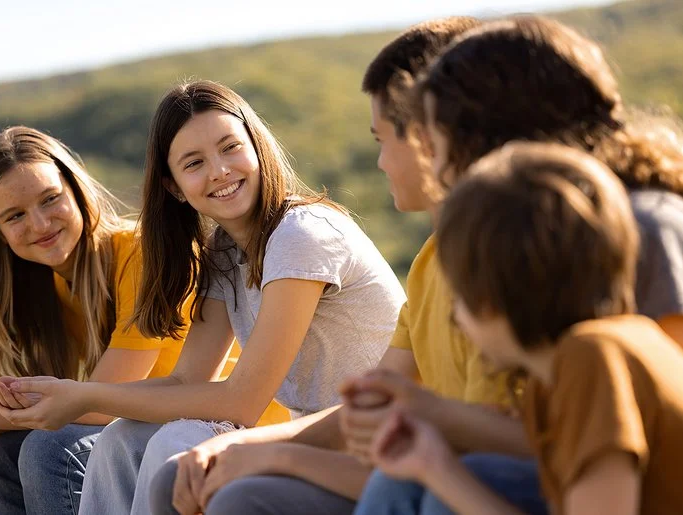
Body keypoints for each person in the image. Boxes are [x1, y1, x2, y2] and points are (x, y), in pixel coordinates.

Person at [149, 18, 548, 515]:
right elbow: (376, 410)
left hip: (437, 472)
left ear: (433, 138)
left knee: (241, 494)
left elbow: (511, 440)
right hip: (395, 458)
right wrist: (250, 449)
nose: (380, 162)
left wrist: (271, 452)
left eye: (383, 139)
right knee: (184, 468)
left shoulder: (513, 257)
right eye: (193, 163)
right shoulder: (429, 266)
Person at [0, 80, 405, 515]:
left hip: (370, 442)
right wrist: (74, 394)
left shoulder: (301, 233)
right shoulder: (226, 252)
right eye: (194, 163)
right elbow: (187, 380)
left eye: (230, 147)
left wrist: (87, 397)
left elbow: (242, 402)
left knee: (176, 440)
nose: (219, 171)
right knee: (121, 439)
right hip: (316, 443)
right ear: (172, 187)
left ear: (257, 147)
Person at [351, 15, 683, 514]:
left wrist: (438, 427)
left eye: (440, 149)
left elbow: (640, 425)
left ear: (497, 140)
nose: (439, 172)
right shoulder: (576, 352)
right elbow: (568, 433)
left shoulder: (645, 226)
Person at [0, 126, 188, 515]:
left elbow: (101, 401)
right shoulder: (48, 286)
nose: (41, 224)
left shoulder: (142, 253)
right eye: (16, 216)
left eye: (50, 199)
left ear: (75, 191)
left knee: (50, 449)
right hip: (140, 431)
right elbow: (40, 405)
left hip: (195, 426)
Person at [373, 141, 683, 514]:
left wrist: (438, 470)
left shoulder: (594, 359)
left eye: (458, 292)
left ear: (488, 299)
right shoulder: (612, 345)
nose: (455, 316)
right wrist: (431, 464)